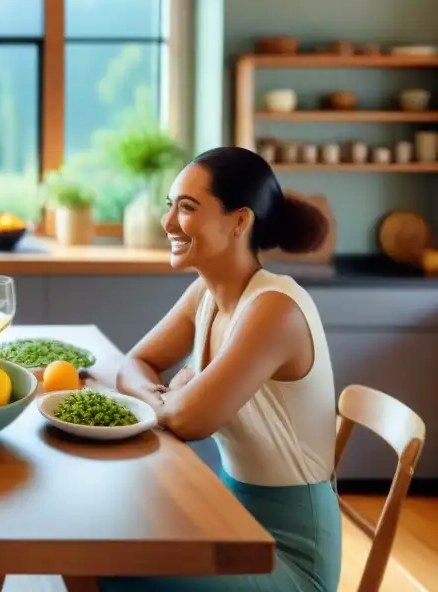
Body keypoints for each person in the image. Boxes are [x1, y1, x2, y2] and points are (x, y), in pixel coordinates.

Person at [104, 147, 341, 592]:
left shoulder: (275, 309)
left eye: (187, 208)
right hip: (229, 517)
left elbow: (192, 421)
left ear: (239, 222)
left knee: (113, 561)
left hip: (289, 556)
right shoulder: (206, 295)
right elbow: (134, 364)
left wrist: (177, 400)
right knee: (105, 537)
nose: (169, 222)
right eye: (169, 205)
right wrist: (169, 398)